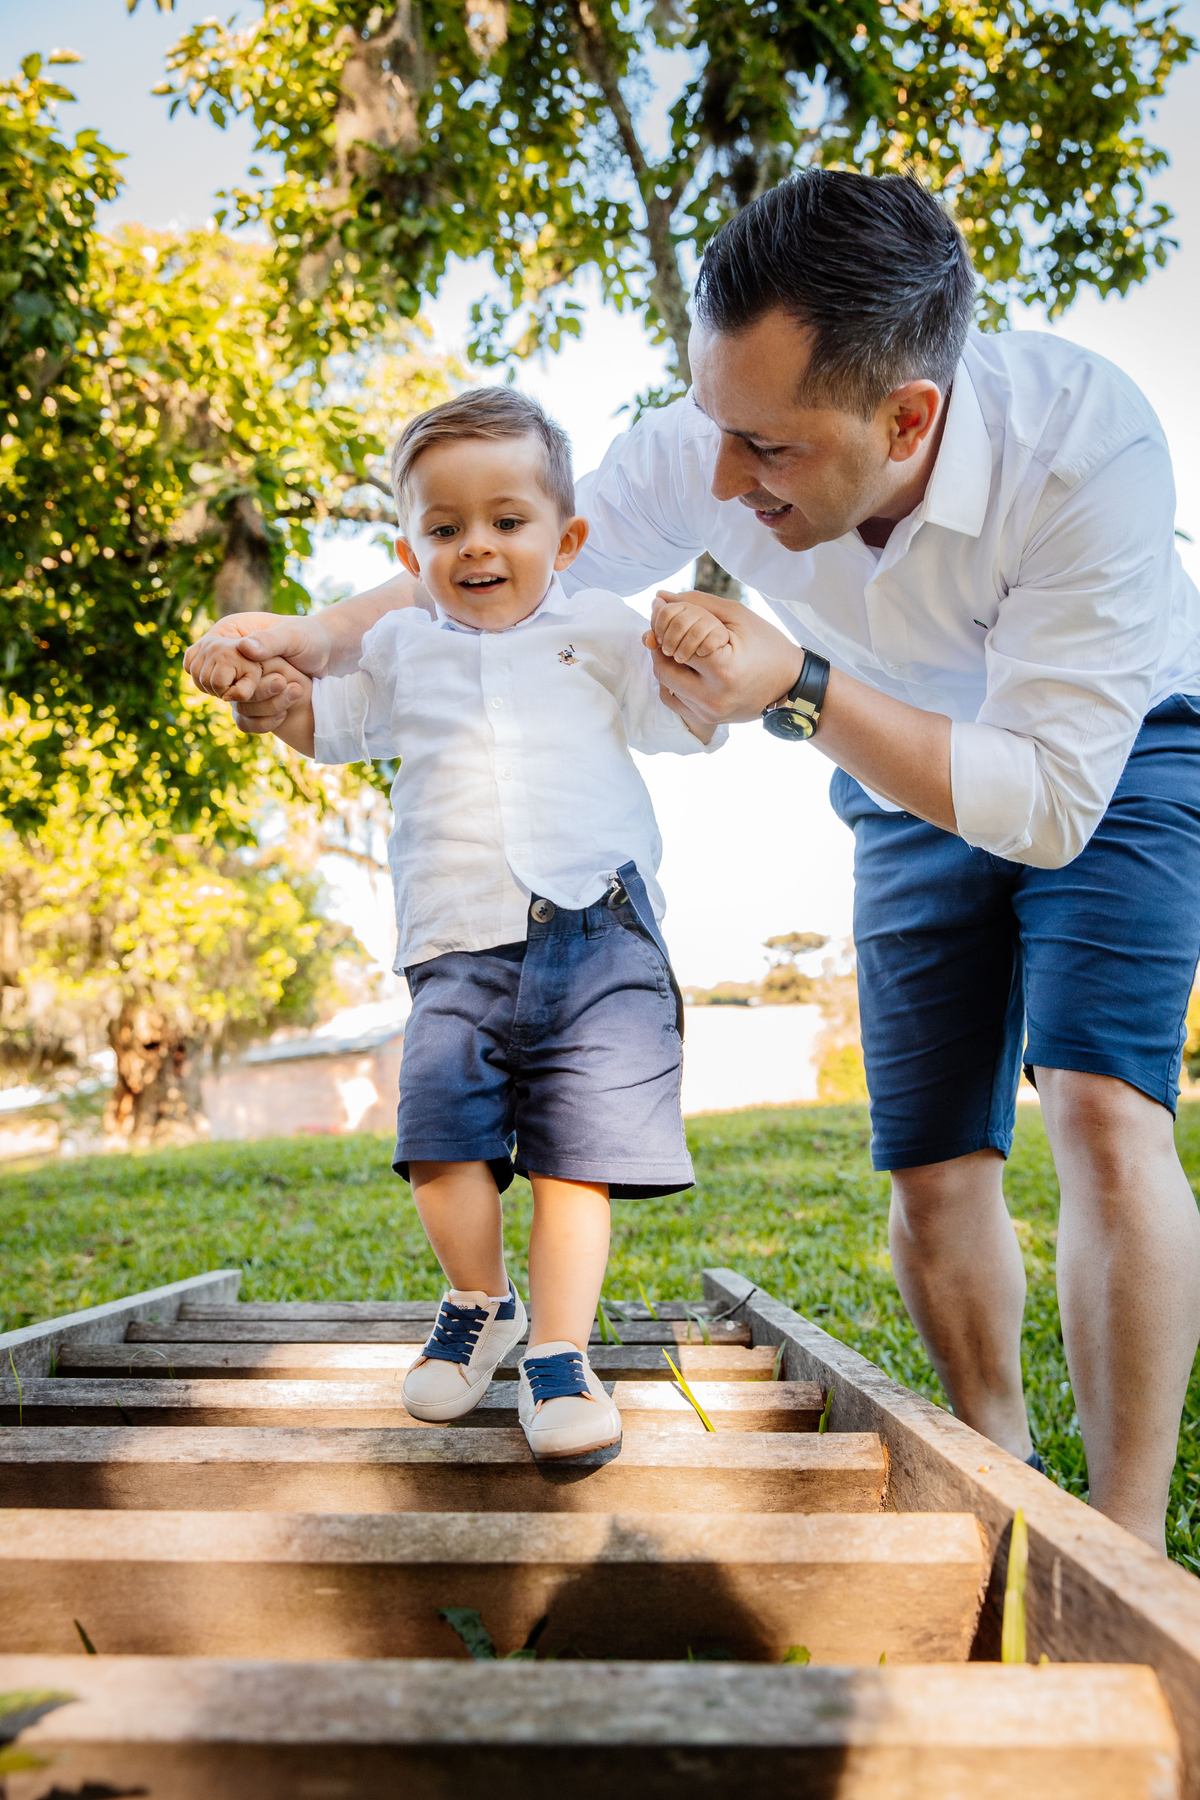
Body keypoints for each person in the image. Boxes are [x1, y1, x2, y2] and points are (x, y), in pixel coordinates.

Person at [186, 169, 1200, 1551]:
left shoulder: (1089, 450)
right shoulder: (714, 437)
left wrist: (797, 689)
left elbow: (1051, 803)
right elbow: (529, 570)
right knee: (933, 1157)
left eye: (767, 450)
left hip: (1113, 746)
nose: (722, 481)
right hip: (894, 758)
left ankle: (1126, 1543)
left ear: (908, 419)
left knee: (1098, 1110)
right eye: (715, 426)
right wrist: (316, 637)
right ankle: (1004, 1466)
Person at [239, 387, 726, 1459]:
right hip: (454, 943)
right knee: (440, 1145)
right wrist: (277, 706)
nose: (478, 548)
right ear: (408, 551)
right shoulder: (403, 646)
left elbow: (680, 724)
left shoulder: (600, 627)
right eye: (445, 528)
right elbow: (330, 724)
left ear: (569, 536)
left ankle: (559, 1351)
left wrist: (699, 663)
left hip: (598, 930)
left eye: (508, 521)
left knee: (573, 1159)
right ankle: (481, 1302)